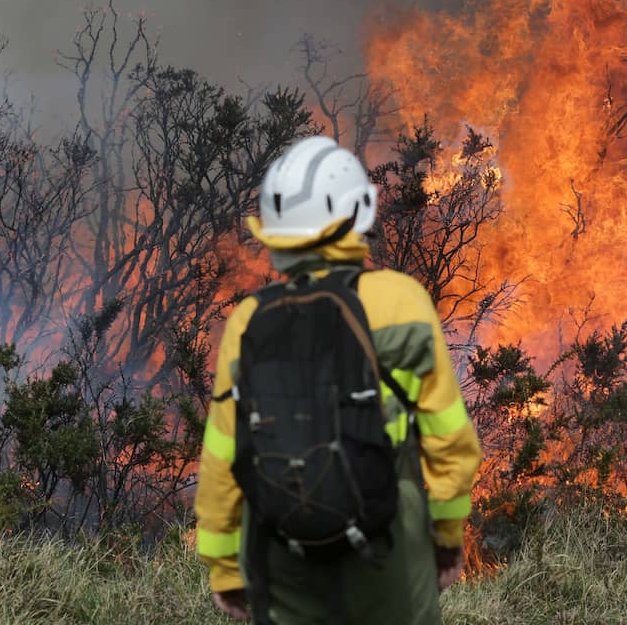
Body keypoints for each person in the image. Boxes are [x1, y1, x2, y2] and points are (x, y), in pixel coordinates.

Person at [194, 135, 482, 624]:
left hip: (282, 546)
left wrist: (225, 568)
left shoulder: (248, 321)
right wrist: (446, 535)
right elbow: (449, 441)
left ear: (275, 233)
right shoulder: (402, 302)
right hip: (387, 541)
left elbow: (224, 456)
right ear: (358, 215)